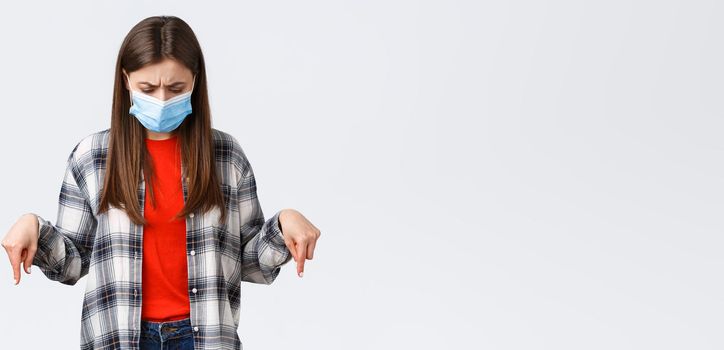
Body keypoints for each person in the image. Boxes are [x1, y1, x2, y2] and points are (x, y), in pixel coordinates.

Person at [1, 15, 321, 350]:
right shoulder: (92, 157)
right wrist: (34, 227)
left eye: (176, 88)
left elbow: (251, 263)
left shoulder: (226, 156)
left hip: (205, 337)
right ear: (126, 80)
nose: (163, 99)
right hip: (120, 337)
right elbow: (73, 262)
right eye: (148, 89)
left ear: (195, 82)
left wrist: (284, 225)